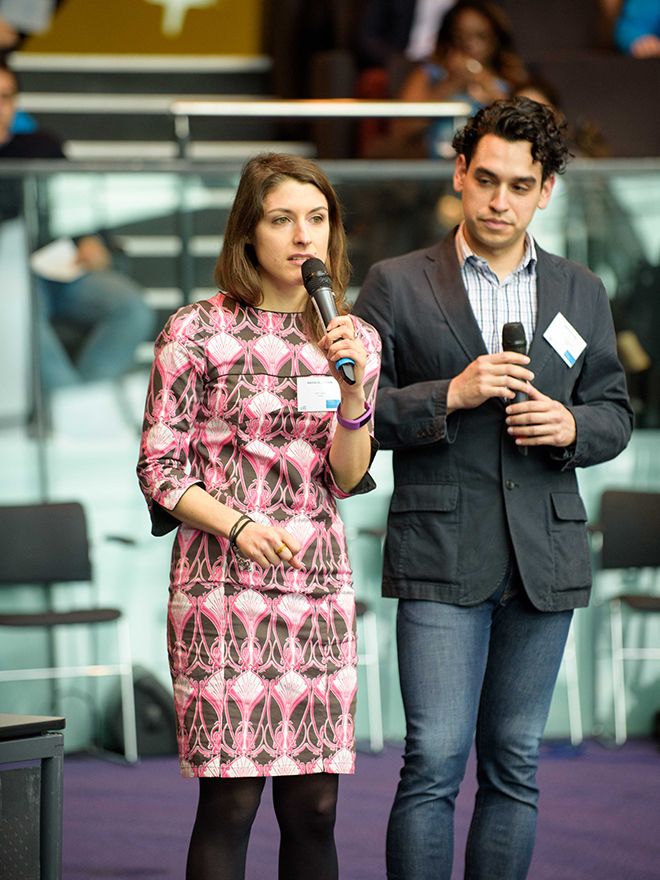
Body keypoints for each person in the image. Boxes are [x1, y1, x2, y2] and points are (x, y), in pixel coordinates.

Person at [352, 97, 633, 880]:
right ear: (459, 176)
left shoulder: (582, 291)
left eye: (520, 184)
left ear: (546, 191)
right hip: (441, 550)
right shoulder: (395, 283)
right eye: (486, 180)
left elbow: (615, 412)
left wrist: (574, 429)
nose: (499, 200)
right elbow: (358, 416)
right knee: (434, 761)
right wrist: (452, 393)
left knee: (514, 764)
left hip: (545, 555)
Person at [136, 152, 381, 880]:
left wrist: (354, 392)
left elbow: (349, 474)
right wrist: (239, 524)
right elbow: (161, 468)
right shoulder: (195, 330)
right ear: (249, 232)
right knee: (232, 805)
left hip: (317, 585)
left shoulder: (353, 338)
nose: (302, 236)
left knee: (316, 809)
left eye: (316, 219)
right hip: (221, 587)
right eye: (282, 219)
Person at [0, 60, 153, 392]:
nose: (1, 107)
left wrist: (91, 239)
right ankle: (72, 409)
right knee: (19, 314)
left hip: (59, 265)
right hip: (8, 274)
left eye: (7, 97)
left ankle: (82, 402)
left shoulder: (41, 146)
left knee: (132, 308)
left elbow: (78, 204)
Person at [366, 0, 527, 159]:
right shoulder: (429, 74)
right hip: (434, 168)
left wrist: (487, 86)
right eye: (461, 36)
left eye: (481, 36)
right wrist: (450, 85)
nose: (470, 45)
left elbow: (524, 130)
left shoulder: (511, 77)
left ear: (496, 39)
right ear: (449, 38)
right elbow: (401, 130)